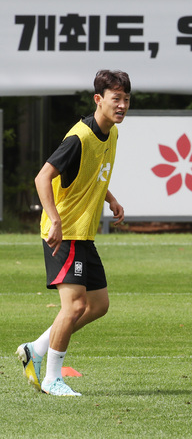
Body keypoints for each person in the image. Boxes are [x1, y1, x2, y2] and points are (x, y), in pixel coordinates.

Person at [16, 69, 130, 396]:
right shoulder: (79, 137)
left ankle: (35, 348)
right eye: (115, 99)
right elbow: (42, 178)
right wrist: (54, 220)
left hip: (82, 233)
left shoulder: (112, 134)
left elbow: (92, 176)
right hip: (65, 233)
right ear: (99, 100)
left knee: (99, 304)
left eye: (125, 99)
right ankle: (52, 378)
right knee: (75, 306)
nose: (121, 105)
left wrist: (111, 198)